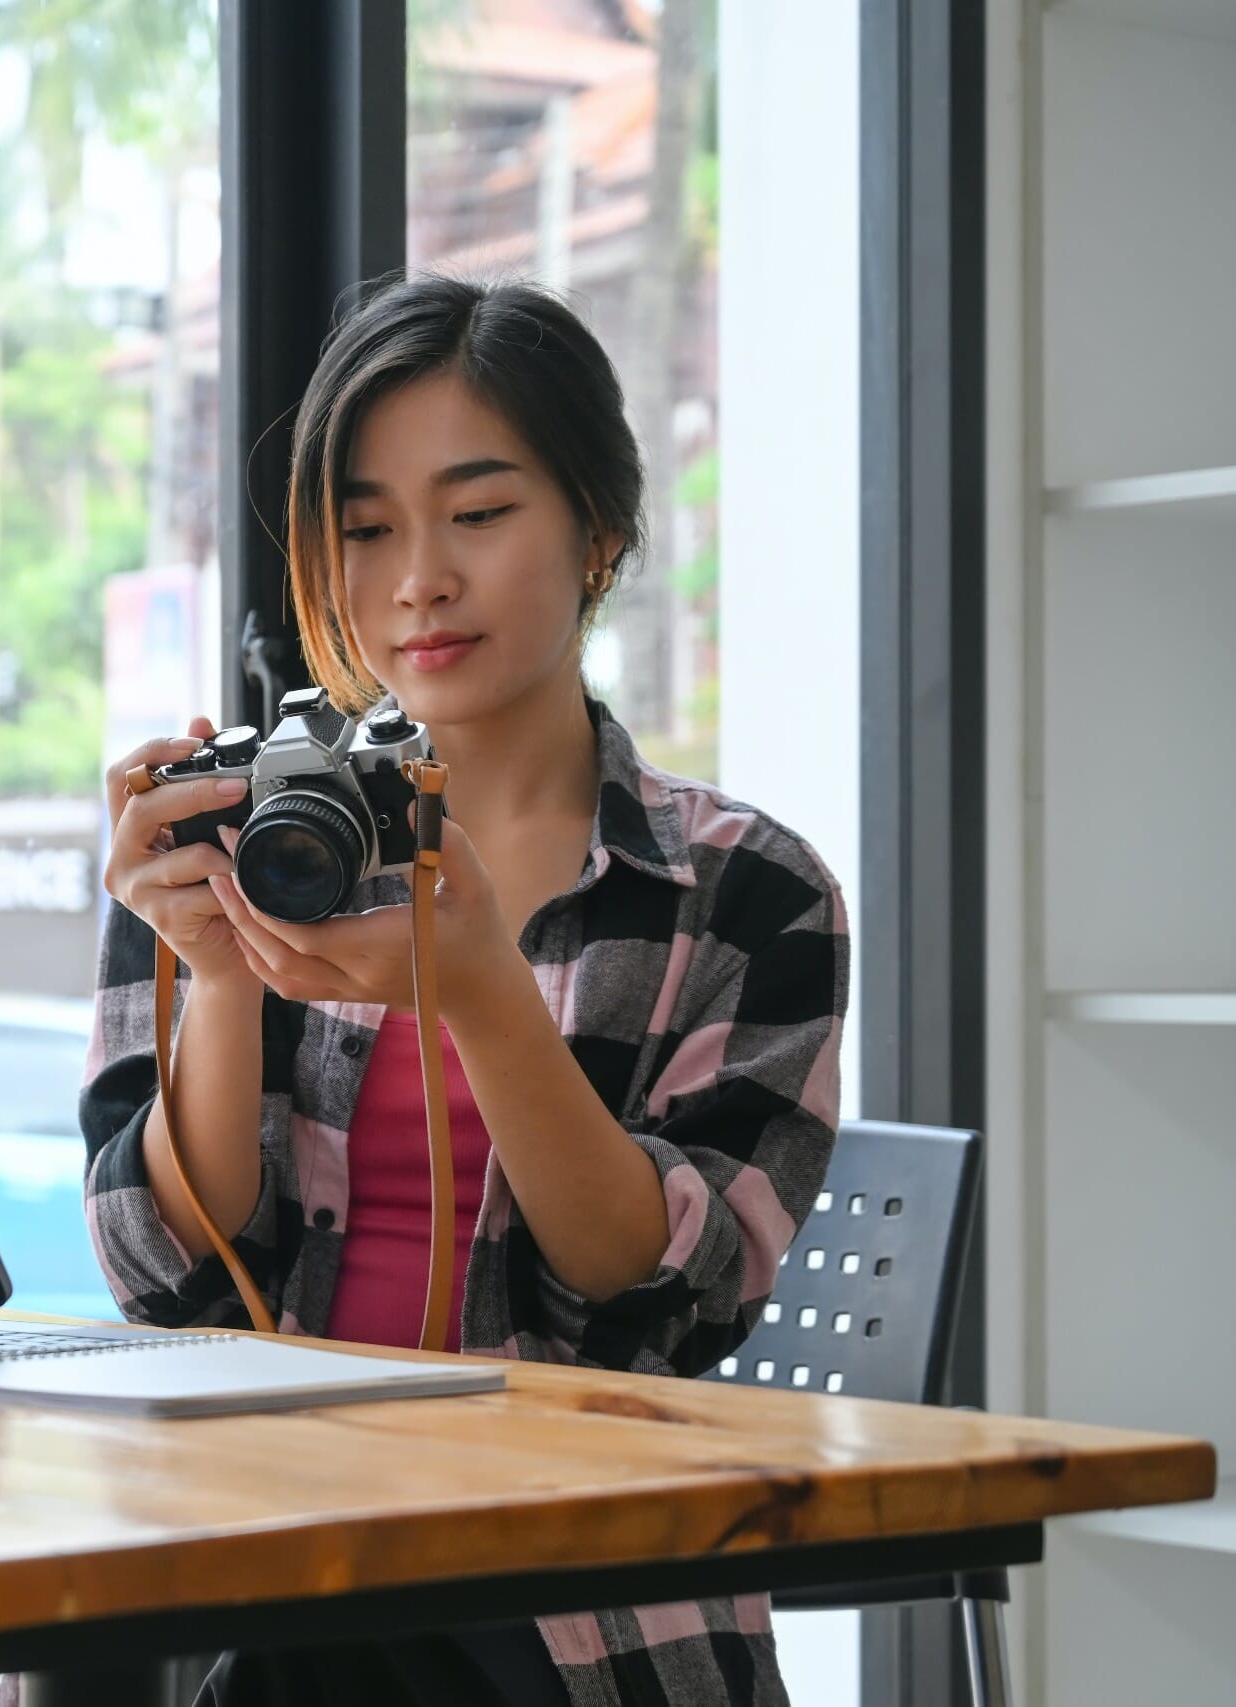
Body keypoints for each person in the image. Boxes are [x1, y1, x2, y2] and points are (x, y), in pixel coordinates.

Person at [86, 274, 847, 1706]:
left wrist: (485, 993)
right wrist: (221, 972)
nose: (417, 579)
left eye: (480, 514)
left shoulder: (747, 892)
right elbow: (164, 1276)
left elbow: (666, 1302)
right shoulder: (230, 843)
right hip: (246, 1550)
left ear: (599, 530)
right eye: (365, 530)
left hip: (564, 1602)